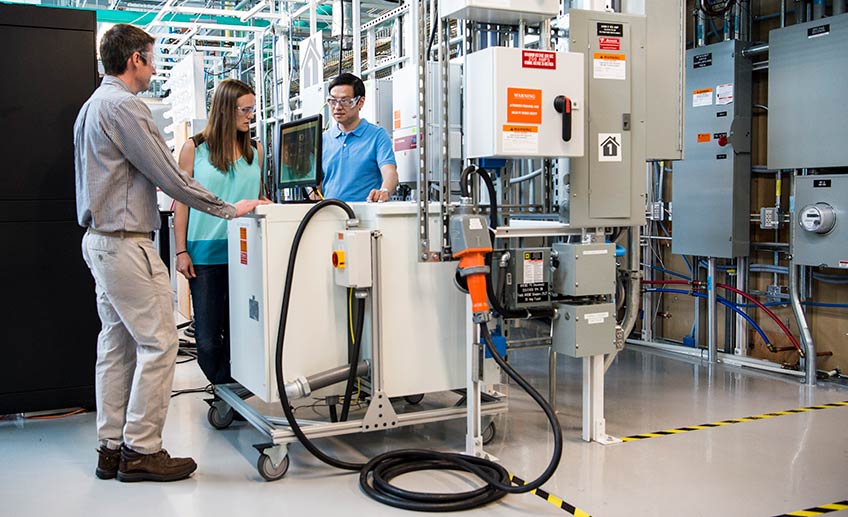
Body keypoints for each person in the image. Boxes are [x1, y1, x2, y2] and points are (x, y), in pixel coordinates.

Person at [74, 24, 268, 483]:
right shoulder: (124, 107)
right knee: (159, 343)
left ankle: (110, 447)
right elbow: (171, 179)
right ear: (135, 60)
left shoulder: (91, 107)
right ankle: (141, 449)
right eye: (151, 57)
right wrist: (227, 209)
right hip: (124, 243)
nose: (155, 67)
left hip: (100, 241)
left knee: (116, 346)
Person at [174, 79, 265, 387]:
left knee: (243, 330)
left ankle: (233, 392)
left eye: (253, 108)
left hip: (246, 253)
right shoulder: (194, 149)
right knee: (209, 338)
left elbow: (259, 197)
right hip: (205, 255)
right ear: (226, 109)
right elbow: (182, 204)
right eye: (245, 109)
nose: (250, 115)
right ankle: (224, 386)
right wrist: (180, 250)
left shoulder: (255, 150)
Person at [321, 73, 398, 202]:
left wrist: (384, 191)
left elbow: (390, 172)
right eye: (333, 101)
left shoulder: (377, 136)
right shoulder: (323, 140)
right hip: (330, 215)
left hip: (365, 216)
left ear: (360, 102)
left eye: (345, 101)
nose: (337, 107)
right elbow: (316, 183)